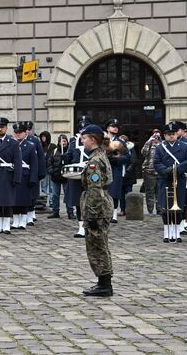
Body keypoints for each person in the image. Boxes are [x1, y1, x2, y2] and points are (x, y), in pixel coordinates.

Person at [76, 125, 115, 297]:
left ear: (92, 139)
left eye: (84, 138)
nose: (82, 141)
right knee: (100, 245)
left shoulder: (94, 161)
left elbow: (94, 190)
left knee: (97, 246)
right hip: (102, 205)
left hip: (97, 208)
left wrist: (91, 214)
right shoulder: (99, 155)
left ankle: (105, 284)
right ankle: (103, 282)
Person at [154, 121, 187, 243]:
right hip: (165, 180)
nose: (171, 136)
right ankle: (167, 233)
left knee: (178, 208)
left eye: (173, 133)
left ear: (177, 134)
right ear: (164, 135)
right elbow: (156, 163)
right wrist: (165, 170)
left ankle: (177, 232)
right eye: (168, 134)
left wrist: (176, 169)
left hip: (179, 179)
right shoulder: (160, 147)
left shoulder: (184, 146)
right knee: (165, 208)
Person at [65, 115, 93, 237]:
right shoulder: (73, 141)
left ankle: (91, 226)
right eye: (81, 128)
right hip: (76, 175)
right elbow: (70, 156)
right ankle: (81, 227)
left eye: (85, 127)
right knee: (77, 202)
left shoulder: (95, 140)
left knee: (91, 201)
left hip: (91, 174)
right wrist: (64, 158)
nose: (82, 131)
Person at [11, 122, 38, 230]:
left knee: (24, 199)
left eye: (20, 132)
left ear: (24, 133)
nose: (17, 134)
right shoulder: (11, 144)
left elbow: (34, 164)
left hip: (25, 175)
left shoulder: (30, 146)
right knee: (14, 199)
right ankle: (15, 220)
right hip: (13, 174)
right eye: (16, 132)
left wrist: (33, 178)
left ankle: (23, 220)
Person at [104, 120, 130, 223]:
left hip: (115, 169)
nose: (115, 128)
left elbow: (128, 157)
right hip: (103, 169)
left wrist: (117, 159)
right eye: (113, 126)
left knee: (114, 192)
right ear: (108, 128)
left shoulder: (121, 142)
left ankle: (114, 214)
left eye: (117, 126)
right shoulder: (102, 140)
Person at [24, 122, 46, 226]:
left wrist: (41, 173)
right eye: (26, 129)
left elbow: (40, 158)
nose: (28, 131)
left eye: (29, 129)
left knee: (33, 195)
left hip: (33, 171)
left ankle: (31, 214)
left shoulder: (35, 141)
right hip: (23, 172)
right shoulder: (18, 141)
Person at [46, 134, 68, 218]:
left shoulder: (69, 150)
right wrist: (52, 171)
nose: (63, 143)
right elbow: (49, 162)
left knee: (68, 195)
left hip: (66, 177)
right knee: (55, 195)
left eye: (65, 141)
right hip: (56, 176)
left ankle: (70, 212)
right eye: (62, 141)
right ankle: (55, 211)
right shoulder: (55, 151)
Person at [141, 131, 162, 215]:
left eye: (158, 135)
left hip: (160, 172)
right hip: (149, 171)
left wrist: (160, 143)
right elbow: (143, 153)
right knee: (150, 192)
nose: (156, 137)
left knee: (159, 192)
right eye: (154, 134)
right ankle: (150, 210)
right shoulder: (149, 144)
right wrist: (149, 141)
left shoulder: (162, 144)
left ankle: (159, 209)